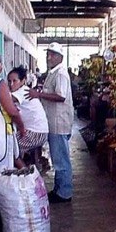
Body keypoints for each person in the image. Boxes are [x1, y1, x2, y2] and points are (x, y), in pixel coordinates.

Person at [27, 43, 74, 203]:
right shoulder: (53, 73)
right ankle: (59, 189)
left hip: (59, 122)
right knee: (58, 158)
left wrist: (38, 94)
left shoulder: (60, 73)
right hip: (54, 121)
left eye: (52, 55)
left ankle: (65, 193)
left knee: (61, 159)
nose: (49, 57)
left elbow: (61, 96)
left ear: (60, 57)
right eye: (48, 54)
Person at [7, 66, 49, 159]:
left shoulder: (22, 92)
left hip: (36, 134)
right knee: (11, 144)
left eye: (15, 81)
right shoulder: (20, 91)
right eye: (9, 81)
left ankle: (24, 169)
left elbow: (5, 101)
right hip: (39, 132)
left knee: (8, 146)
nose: (11, 84)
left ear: (23, 81)